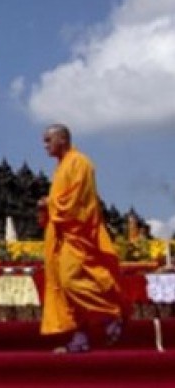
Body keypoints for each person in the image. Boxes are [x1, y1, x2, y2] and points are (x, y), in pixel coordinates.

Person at [39, 124, 128, 353]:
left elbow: (77, 202)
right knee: (62, 285)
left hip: (77, 235)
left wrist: (49, 204)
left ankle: (109, 314)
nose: (45, 145)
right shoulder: (62, 166)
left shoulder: (80, 163)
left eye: (48, 140)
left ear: (62, 139)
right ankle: (80, 336)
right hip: (62, 235)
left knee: (70, 280)